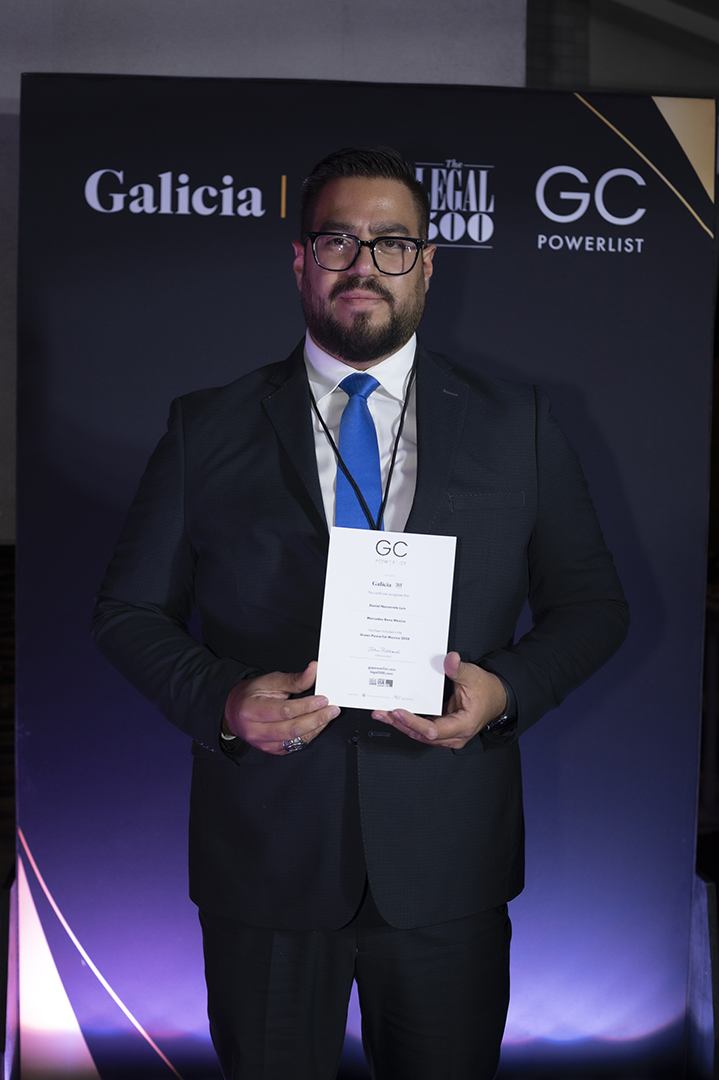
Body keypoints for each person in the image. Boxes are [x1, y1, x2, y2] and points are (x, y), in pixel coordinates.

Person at [93, 146, 629, 1080]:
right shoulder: (204, 426)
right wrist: (224, 701)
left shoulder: (519, 424)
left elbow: (591, 606)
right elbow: (126, 610)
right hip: (265, 859)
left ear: (428, 263)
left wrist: (503, 692)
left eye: (391, 243)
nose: (364, 264)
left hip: (447, 863)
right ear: (300, 260)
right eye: (338, 240)